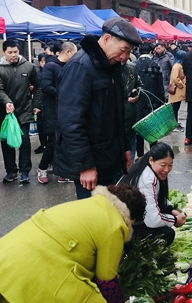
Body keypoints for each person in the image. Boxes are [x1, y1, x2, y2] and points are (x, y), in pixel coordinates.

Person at [0, 183, 146, 303]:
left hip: (12, 250)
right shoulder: (115, 225)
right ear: (132, 217)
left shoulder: (91, 202)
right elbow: (106, 278)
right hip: (38, 264)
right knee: (78, 295)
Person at [55, 17, 141, 200]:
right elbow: (70, 121)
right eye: (124, 50)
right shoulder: (81, 66)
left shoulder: (112, 66)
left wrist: (124, 148)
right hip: (91, 162)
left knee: (112, 213)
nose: (125, 57)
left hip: (110, 158)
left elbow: (118, 113)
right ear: (108, 39)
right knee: (93, 218)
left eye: (130, 52)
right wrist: (85, 165)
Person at [0, 40, 42, 185]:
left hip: (24, 110)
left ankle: (25, 171)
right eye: (10, 52)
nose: (13, 55)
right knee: (7, 143)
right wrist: (7, 102)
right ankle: (11, 171)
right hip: (6, 112)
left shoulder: (28, 66)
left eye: (15, 52)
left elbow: (38, 87)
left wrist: (36, 104)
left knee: (25, 142)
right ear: (4, 53)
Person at [119, 143, 186, 244]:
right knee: (167, 233)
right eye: (163, 165)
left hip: (131, 221)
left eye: (170, 165)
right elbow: (153, 220)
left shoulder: (147, 169)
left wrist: (171, 210)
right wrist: (175, 220)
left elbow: (156, 197)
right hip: (122, 229)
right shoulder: (147, 179)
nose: (167, 169)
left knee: (164, 215)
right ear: (151, 160)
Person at [36, 42, 77, 184]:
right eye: (74, 53)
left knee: (64, 141)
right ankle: (42, 168)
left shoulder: (68, 67)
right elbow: (46, 87)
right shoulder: (50, 66)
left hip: (65, 110)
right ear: (68, 52)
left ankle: (61, 172)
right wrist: (64, 93)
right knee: (53, 141)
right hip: (52, 110)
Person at [135, 43, 166, 157]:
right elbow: (160, 87)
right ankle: (154, 154)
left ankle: (140, 156)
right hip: (153, 102)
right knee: (153, 130)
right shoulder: (155, 65)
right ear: (151, 52)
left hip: (137, 102)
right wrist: (162, 101)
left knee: (139, 130)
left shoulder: (134, 65)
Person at [122, 59, 144, 161]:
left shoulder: (131, 67)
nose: (125, 56)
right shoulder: (107, 68)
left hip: (131, 117)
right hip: (113, 123)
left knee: (130, 154)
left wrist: (137, 93)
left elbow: (140, 85)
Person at [167, 50, 186, 132]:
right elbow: (175, 78)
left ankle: (175, 124)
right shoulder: (177, 66)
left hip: (177, 90)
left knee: (176, 108)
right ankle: (174, 125)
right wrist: (181, 84)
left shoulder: (177, 65)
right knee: (175, 108)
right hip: (176, 90)